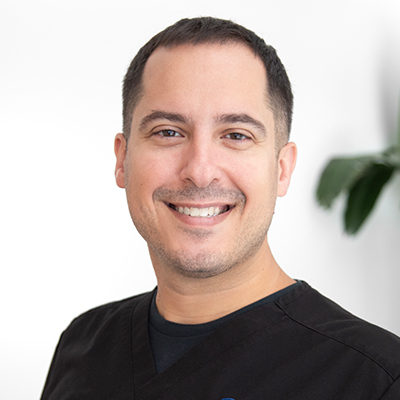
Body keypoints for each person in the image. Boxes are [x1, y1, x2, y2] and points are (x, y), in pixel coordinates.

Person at [41, 17, 400, 399]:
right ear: (122, 159)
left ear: (281, 169)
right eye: (168, 132)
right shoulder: (82, 348)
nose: (199, 170)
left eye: (235, 135)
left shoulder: (373, 380)